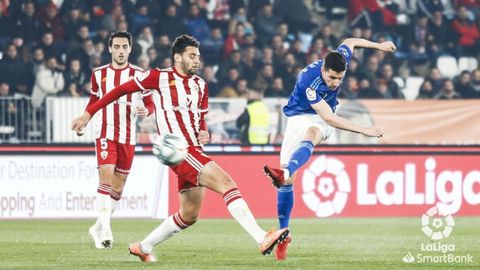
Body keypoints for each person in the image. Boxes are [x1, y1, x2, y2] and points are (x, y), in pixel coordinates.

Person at [71, 35, 289, 261]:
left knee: (189, 215)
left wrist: (205, 131)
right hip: (180, 151)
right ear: (177, 57)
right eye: (192, 56)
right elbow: (119, 90)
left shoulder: (200, 85)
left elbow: (201, 120)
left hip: (195, 149)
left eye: (198, 56)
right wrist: (88, 114)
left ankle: (143, 247)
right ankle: (261, 237)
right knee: (227, 183)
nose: (197, 60)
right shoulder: (159, 77)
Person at [263, 38, 396, 260]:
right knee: (287, 182)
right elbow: (330, 118)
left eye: (340, 78)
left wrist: (378, 46)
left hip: (319, 117)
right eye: (332, 77)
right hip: (299, 116)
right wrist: (364, 130)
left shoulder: (340, 58)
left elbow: (350, 41)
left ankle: (285, 171)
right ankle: (284, 233)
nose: (335, 83)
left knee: (313, 134)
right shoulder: (310, 83)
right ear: (323, 70)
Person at [82, 31, 155, 249]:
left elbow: (151, 102)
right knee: (105, 178)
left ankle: (96, 226)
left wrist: (147, 110)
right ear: (110, 49)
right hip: (104, 131)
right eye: (117, 46)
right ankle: (105, 230)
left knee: (118, 187)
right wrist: (85, 119)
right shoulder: (98, 73)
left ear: (130, 49)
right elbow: (94, 99)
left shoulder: (140, 74)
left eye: (124, 47)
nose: (121, 51)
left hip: (127, 135)